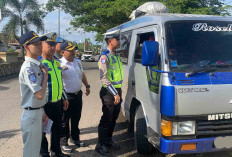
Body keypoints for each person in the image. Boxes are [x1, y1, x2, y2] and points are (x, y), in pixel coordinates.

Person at [39, 33, 70, 157]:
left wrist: (64, 98)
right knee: (41, 133)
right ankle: (44, 154)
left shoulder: (57, 62)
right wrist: (40, 108)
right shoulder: (38, 63)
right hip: (44, 104)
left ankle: (56, 152)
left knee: (57, 129)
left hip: (57, 103)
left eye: (53, 44)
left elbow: (60, 82)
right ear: (42, 45)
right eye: (49, 44)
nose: (52, 47)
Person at [19, 31, 48, 157]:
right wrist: (46, 76)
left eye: (40, 43)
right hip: (31, 115)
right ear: (26, 47)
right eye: (35, 44)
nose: (40, 46)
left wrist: (42, 111)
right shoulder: (28, 68)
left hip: (37, 111)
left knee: (35, 150)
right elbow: (39, 94)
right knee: (31, 152)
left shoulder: (36, 65)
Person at [59, 41, 90, 152]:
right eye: (70, 50)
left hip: (78, 95)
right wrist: (63, 98)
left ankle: (75, 139)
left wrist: (87, 85)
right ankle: (63, 142)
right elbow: (58, 82)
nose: (73, 52)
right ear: (62, 52)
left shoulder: (77, 61)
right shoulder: (59, 64)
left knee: (76, 119)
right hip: (66, 96)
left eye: (74, 50)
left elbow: (81, 74)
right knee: (65, 120)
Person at [95, 34, 123, 156]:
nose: (120, 41)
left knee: (114, 117)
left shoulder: (116, 56)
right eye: (118, 40)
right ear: (110, 41)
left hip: (117, 90)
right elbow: (104, 78)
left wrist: (118, 92)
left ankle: (108, 140)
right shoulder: (104, 57)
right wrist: (115, 93)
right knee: (106, 118)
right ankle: (100, 145)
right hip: (108, 92)